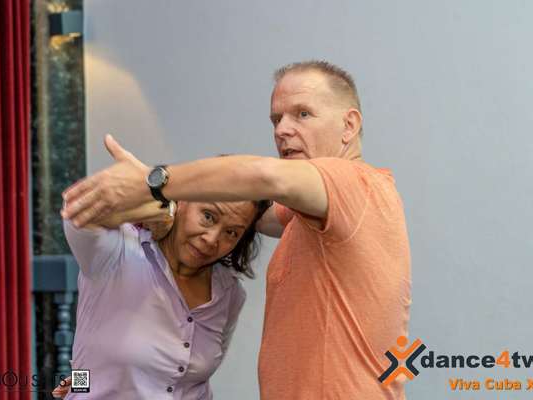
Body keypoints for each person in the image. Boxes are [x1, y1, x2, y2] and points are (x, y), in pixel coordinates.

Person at [61, 60, 412, 400]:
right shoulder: (309, 213)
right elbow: (241, 209)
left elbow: (263, 177)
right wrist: (167, 209)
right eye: (276, 119)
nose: (282, 130)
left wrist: (153, 182)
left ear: (349, 125)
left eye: (303, 114)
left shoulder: (356, 184)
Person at [57, 189, 270, 398]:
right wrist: (157, 200)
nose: (212, 239)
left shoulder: (229, 292)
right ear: (183, 200)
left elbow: (194, 381)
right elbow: (78, 206)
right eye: (208, 216)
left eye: (231, 232)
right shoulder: (118, 250)